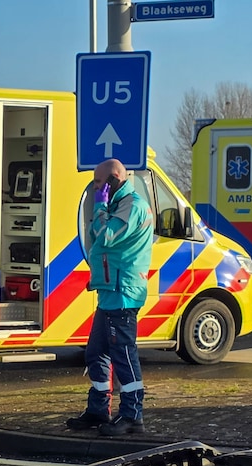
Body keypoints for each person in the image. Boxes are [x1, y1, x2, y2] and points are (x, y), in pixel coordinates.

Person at [67, 158, 154, 436]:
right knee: (96, 353)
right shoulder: (120, 205)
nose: (96, 190)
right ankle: (98, 410)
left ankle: (132, 415)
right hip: (110, 293)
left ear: (115, 179)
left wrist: (101, 205)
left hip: (123, 292)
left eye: (98, 183)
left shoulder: (132, 206)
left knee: (124, 356)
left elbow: (104, 236)